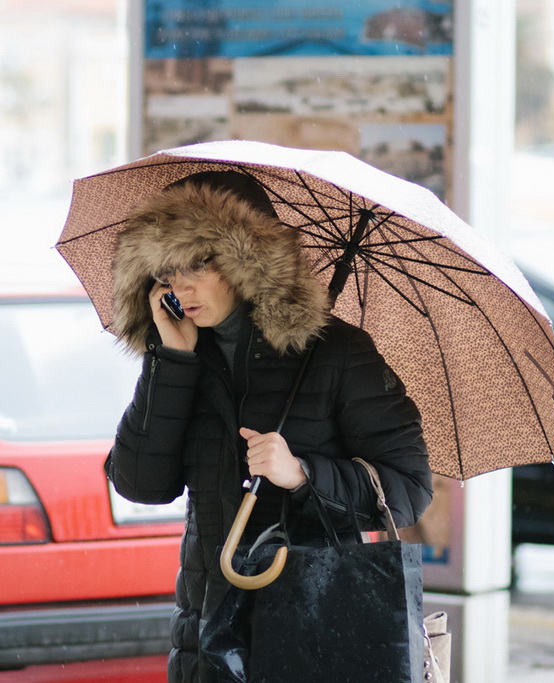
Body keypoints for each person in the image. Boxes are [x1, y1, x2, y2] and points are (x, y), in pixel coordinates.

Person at [105, 171, 432, 682]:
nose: (179, 286)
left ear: (245, 261)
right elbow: (141, 484)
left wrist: (302, 474)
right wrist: (170, 361)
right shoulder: (185, 351)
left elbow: (408, 489)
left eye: (196, 264)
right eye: (166, 272)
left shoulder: (337, 354)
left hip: (316, 623)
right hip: (207, 631)